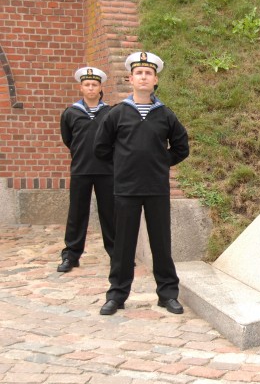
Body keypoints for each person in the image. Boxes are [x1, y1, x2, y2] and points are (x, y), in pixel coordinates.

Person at [94, 51, 189, 315]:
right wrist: (123, 166)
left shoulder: (165, 115)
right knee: (123, 245)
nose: (144, 77)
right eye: (139, 73)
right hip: (126, 189)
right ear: (131, 79)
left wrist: (160, 162)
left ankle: (167, 294)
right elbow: (101, 148)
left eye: (148, 73)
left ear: (155, 80)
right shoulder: (117, 114)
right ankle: (117, 295)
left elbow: (181, 147)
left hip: (156, 189)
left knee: (161, 244)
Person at [58, 67, 115, 272]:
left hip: (107, 170)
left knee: (110, 214)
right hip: (81, 169)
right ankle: (71, 256)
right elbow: (68, 139)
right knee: (77, 213)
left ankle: (117, 255)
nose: (91, 88)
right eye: (87, 84)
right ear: (81, 88)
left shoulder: (110, 113)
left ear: (100, 88)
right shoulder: (71, 113)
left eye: (94, 84)